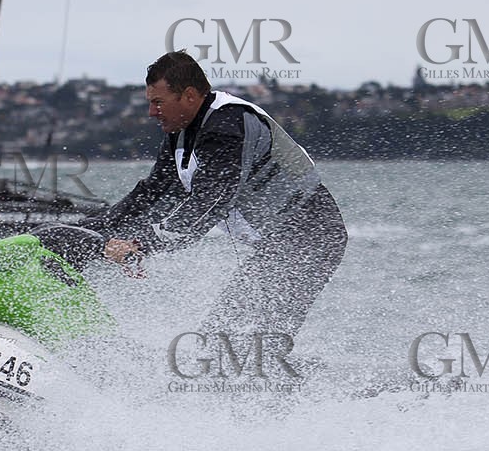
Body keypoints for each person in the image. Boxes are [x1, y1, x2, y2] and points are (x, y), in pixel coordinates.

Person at [84, 51, 346, 339]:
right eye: (150, 103)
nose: (151, 112)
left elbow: (208, 205)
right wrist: (93, 229)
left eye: (159, 103)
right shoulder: (182, 131)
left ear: (190, 96)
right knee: (224, 331)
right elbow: (152, 192)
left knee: (230, 334)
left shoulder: (227, 126)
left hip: (313, 236)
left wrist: (142, 244)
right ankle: (257, 373)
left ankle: (269, 377)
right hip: (279, 242)